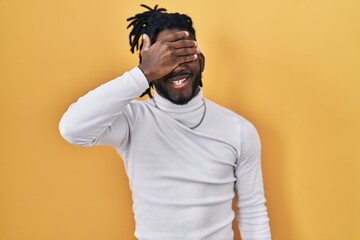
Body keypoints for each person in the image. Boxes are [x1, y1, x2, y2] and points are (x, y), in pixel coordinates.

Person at [59, 5, 271, 240]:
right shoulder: (132, 121)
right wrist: (145, 72)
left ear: (200, 61)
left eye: (184, 55)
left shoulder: (239, 130)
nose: (176, 66)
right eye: (165, 59)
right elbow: (72, 129)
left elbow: (252, 210)